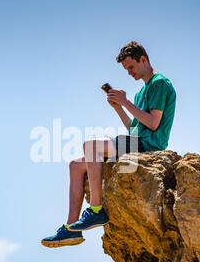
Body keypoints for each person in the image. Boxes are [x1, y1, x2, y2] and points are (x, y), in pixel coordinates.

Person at [41, 41, 176, 248]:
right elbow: (134, 129)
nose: (129, 72)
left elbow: (153, 123)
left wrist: (125, 102)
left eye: (131, 67)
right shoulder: (141, 92)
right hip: (136, 141)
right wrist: (118, 108)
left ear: (143, 60)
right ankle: (70, 230)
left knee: (91, 146)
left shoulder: (159, 83)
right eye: (126, 69)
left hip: (150, 147)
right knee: (76, 165)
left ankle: (96, 211)